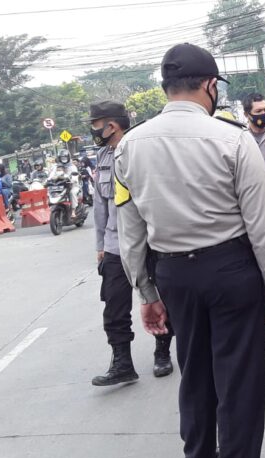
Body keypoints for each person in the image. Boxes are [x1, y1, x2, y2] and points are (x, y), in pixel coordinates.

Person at [114, 43, 265, 458]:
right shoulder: (234, 140)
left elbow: (131, 230)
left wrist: (146, 292)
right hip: (232, 271)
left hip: (174, 274)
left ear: (167, 87)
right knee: (241, 383)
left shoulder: (129, 146)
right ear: (211, 85)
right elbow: (261, 225)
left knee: (194, 376)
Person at [89, 100, 175, 387]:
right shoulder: (101, 158)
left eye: (95, 125)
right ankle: (122, 363)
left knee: (159, 300)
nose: (93, 131)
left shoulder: (143, 151)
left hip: (150, 242)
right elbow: (100, 206)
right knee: (114, 306)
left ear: (111, 125)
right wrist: (100, 243)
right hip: (115, 245)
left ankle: (162, 353)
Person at [50, 150, 82, 215]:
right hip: (60, 186)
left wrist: (71, 179)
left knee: (72, 193)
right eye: (62, 158)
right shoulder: (55, 166)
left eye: (65, 158)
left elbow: (75, 177)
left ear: (68, 157)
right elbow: (51, 175)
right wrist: (48, 180)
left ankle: (73, 211)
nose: (63, 159)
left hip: (72, 185)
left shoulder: (72, 166)